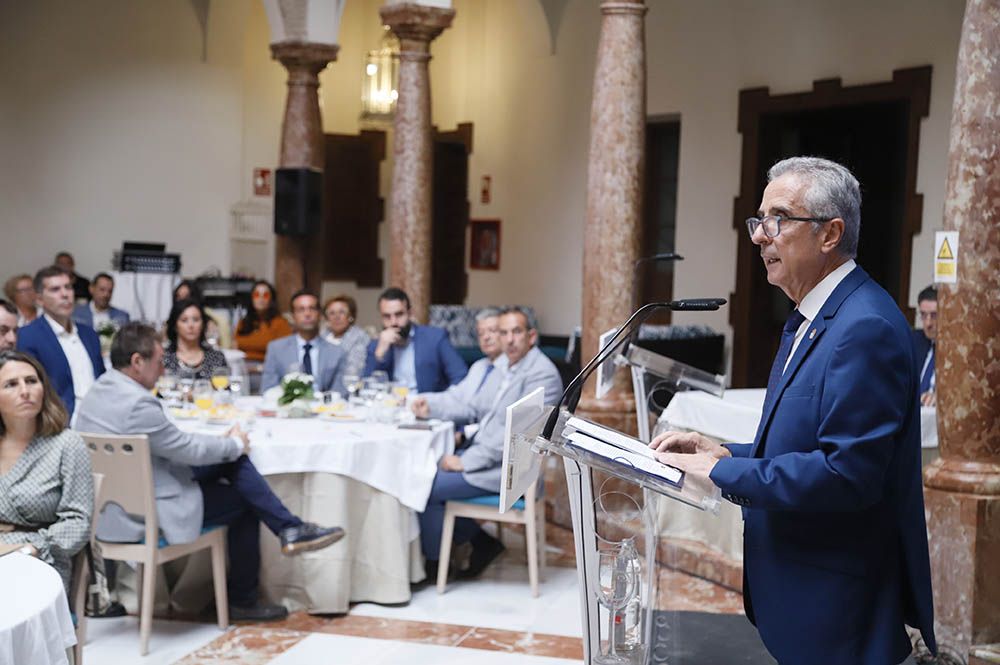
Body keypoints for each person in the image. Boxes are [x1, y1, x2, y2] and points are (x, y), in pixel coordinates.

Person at [650, 157, 935, 665]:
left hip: (836, 602)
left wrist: (721, 472)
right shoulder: (812, 314)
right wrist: (725, 450)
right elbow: (801, 444)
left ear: (831, 234)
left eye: (778, 218)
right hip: (800, 590)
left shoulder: (864, 326)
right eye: (759, 220)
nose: (760, 236)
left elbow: (847, 474)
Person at [75, 323, 344, 621]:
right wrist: (233, 443)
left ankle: (289, 528)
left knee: (231, 461)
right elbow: (185, 448)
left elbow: (176, 446)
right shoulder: (139, 404)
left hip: (109, 511)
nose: (163, 370)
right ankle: (246, 594)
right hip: (146, 513)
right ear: (137, 361)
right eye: (159, 361)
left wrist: (225, 447)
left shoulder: (97, 392)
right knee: (244, 497)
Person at [418, 306, 562, 581]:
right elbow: (471, 405)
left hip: (512, 470)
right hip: (491, 457)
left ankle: (438, 565)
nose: (509, 339)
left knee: (426, 485)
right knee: (423, 472)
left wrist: (466, 461)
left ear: (531, 336)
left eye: (516, 332)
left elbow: (517, 435)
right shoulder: (507, 367)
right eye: (504, 332)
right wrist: (430, 404)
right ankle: (478, 545)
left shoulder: (541, 375)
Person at [0, 350, 93, 596]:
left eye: (31, 381)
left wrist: (31, 548)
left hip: (40, 560)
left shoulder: (66, 444)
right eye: (11, 384)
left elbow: (77, 522)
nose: (25, 391)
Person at [17, 266, 105, 418]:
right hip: (60, 424)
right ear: (39, 299)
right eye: (55, 289)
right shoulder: (28, 336)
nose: (65, 294)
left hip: (100, 418)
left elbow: (102, 380)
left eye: (68, 287)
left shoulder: (89, 334)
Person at [411, 307, 506, 430]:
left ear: (505, 333)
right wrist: (423, 399)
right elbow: (456, 396)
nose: (486, 337)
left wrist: (434, 410)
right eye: (481, 333)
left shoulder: (510, 370)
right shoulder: (479, 366)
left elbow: (474, 412)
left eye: (492, 331)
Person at [363, 287, 467, 393]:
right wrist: (379, 355)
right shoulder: (375, 345)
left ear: (410, 313)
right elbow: (366, 389)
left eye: (399, 314)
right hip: (390, 405)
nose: (393, 322)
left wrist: (442, 401)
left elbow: (460, 375)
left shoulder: (435, 338)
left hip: (427, 404)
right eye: (387, 316)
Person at [262, 290, 345, 393]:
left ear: (320, 314)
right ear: (293, 316)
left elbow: (340, 392)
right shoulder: (276, 349)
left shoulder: (337, 352)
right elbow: (268, 389)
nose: (307, 314)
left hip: (325, 407)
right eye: (301, 309)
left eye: (312, 308)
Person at [163, 299, 229, 381]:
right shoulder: (163, 358)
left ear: (203, 324)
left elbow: (225, 390)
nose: (191, 325)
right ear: (175, 325)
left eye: (196, 320)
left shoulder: (217, 357)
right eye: (184, 320)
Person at [235, 281, 292, 362]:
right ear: (252, 298)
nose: (260, 299)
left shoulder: (281, 323)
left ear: (271, 299)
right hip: (244, 366)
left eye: (265, 295)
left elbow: (282, 349)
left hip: (269, 367)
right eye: (256, 295)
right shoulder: (244, 322)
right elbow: (235, 344)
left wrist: (244, 344)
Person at [322, 295, 370, 378]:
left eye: (341, 312)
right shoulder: (321, 337)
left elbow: (355, 371)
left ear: (350, 316)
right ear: (327, 318)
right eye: (332, 313)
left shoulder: (359, 338)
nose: (336, 317)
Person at [913, 285, 937, 407]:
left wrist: (939, 397)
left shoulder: (959, 349)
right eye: (923, 315)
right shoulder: (914, 341)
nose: (928, 323)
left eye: (934, 315)